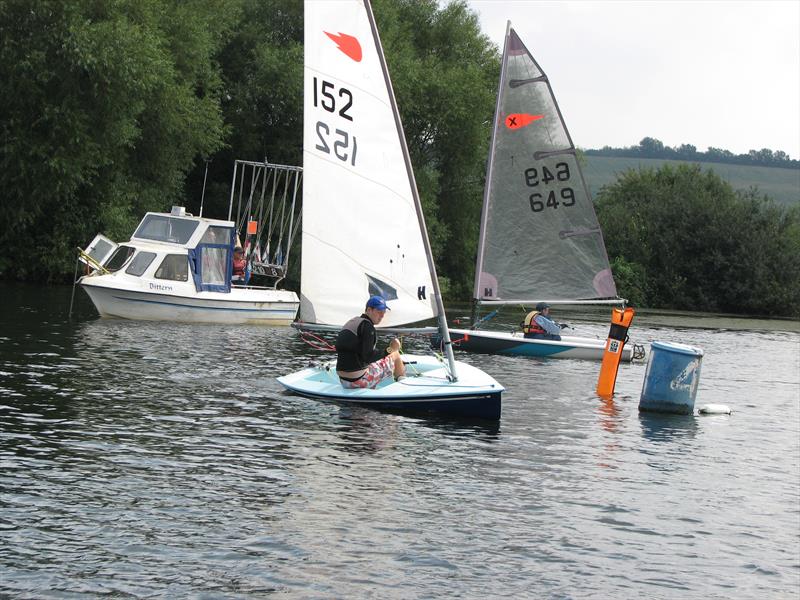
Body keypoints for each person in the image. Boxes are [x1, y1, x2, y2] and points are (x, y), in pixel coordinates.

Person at [336, 295, 406, 388]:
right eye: (379, 311)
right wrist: (391, 349)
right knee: (395, 354)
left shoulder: (352, 322)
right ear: (369, 310)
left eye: (383, 312)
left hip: (343, 380)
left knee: (371, 365)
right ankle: (404, 386)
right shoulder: (368, 327)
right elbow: (368, 357)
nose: (382, 316)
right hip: (358, 381)